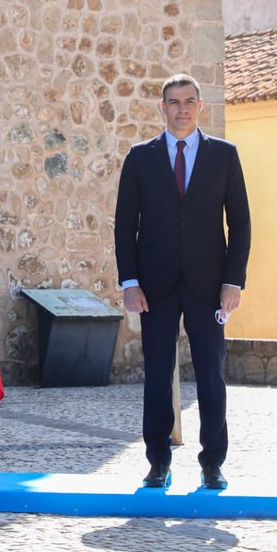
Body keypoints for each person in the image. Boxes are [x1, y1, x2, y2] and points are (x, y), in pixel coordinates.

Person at [114, 74, 251, 490]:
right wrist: (130, 281)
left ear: (200, 105)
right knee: (157, 374)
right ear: (162, 108)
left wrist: (234, 281)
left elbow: (241, 222)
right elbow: (125, 225)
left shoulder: (224, 155)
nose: (181, 109)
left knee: (211, 374)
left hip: (209, 284)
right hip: (154, 287)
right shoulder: (140, 158)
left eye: (189, 101)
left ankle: (213, 462)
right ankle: (158, 460)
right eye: (173, 102)